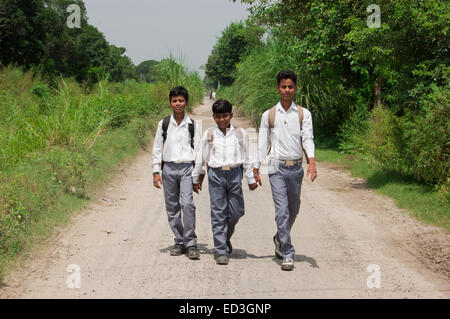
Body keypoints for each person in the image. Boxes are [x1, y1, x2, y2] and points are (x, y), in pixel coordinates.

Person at [253, 70, 318, 271]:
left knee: (293, 209)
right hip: (276, 168)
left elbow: (307, 138)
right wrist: (256, 167)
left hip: (296, 168)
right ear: (277, 88)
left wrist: (312, 162)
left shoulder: (303, 114)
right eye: (283, 87)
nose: (287, 90)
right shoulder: (269, 115)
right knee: (281, 211)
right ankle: (287, 252)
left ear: (295, 88)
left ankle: (280, 237)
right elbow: (263, 143)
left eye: (290, 87)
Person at [192, 99, 258, 265]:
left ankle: (225, 236)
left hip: (235, 173)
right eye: (218, 116)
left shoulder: (240, 133)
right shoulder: (209, 134)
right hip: (215, 174)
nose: (222, 119)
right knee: (218, 212)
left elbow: (247, 158)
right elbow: (201, 157)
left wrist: (250, 178)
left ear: (231, 115)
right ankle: (220, 249)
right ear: (214, 117)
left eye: (225, 116)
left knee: (236, 212)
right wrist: (197, 178)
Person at [152, 86, 202, 260]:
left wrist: (197, 175)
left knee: (187, 204)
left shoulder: (194, 125)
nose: (178, 104)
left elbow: (199, 150)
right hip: (169, 169)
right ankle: (179, 240)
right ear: (170, 103)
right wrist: (155, 172)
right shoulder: (164, 124)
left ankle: (191, 242)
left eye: (181, 100)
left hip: (187, 168)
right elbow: (157, 148)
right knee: (172, 207)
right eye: (174, 101)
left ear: (186, 102)